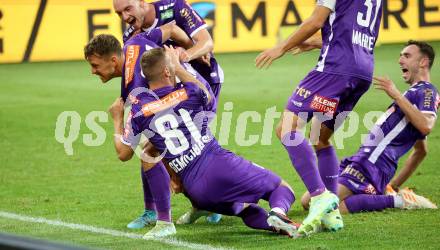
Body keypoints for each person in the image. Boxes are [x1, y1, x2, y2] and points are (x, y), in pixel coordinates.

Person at [108, 46, 301, 238]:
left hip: (196, 190)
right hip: (219, 165)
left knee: (244, 209)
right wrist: (179, 66)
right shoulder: (189, 91)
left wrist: (117, 119)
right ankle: (278, 213)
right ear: (167, 71)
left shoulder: (138, 108)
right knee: (281, 188)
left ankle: (281, 227)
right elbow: (207, 95)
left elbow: (124, 153)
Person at [255, 0, 383, 236]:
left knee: (286, 129)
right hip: (363, 71)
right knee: (321, 138)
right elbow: (360, 32)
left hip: (335, 68)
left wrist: (280, 48)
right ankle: (331, 212)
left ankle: (319, 195)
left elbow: (316, 20)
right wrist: (318, 42)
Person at [84, 25, 214, 237]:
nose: (93, 71)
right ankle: (189, 206)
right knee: (157, 151)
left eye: (95, 65)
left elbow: (124, 153)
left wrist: (117, 119)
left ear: (113, 61)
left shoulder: (136, 87)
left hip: (196, 99)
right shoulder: (133, 44)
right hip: (198, 91)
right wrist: (189, 52)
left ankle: (166, 217)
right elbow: (171, 28)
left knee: (158, 153)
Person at [113, 0, 223, 225]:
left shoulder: (174, 8)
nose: (125, 17)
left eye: (128, 9)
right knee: (156, 147)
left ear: (142, 3)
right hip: (169, 91)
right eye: (119, 13)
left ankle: (211, 204)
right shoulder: (129, 34)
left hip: (200, 83)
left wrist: (188, 54)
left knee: (182, 148)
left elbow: (206, 42)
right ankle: (199, 205)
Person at [302, 40, 438, 213]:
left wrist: (395, 94)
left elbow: (426, 125)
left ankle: (397, 201)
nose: (400, 60)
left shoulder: (426, 91)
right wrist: (394, 184)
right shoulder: (412, 95)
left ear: (423, 62)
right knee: (308, 200)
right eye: (400, 55)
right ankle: (388, 193)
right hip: (362, 159)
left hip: (374, 164)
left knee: (323, 206)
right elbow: (421, 150)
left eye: (407, 55)